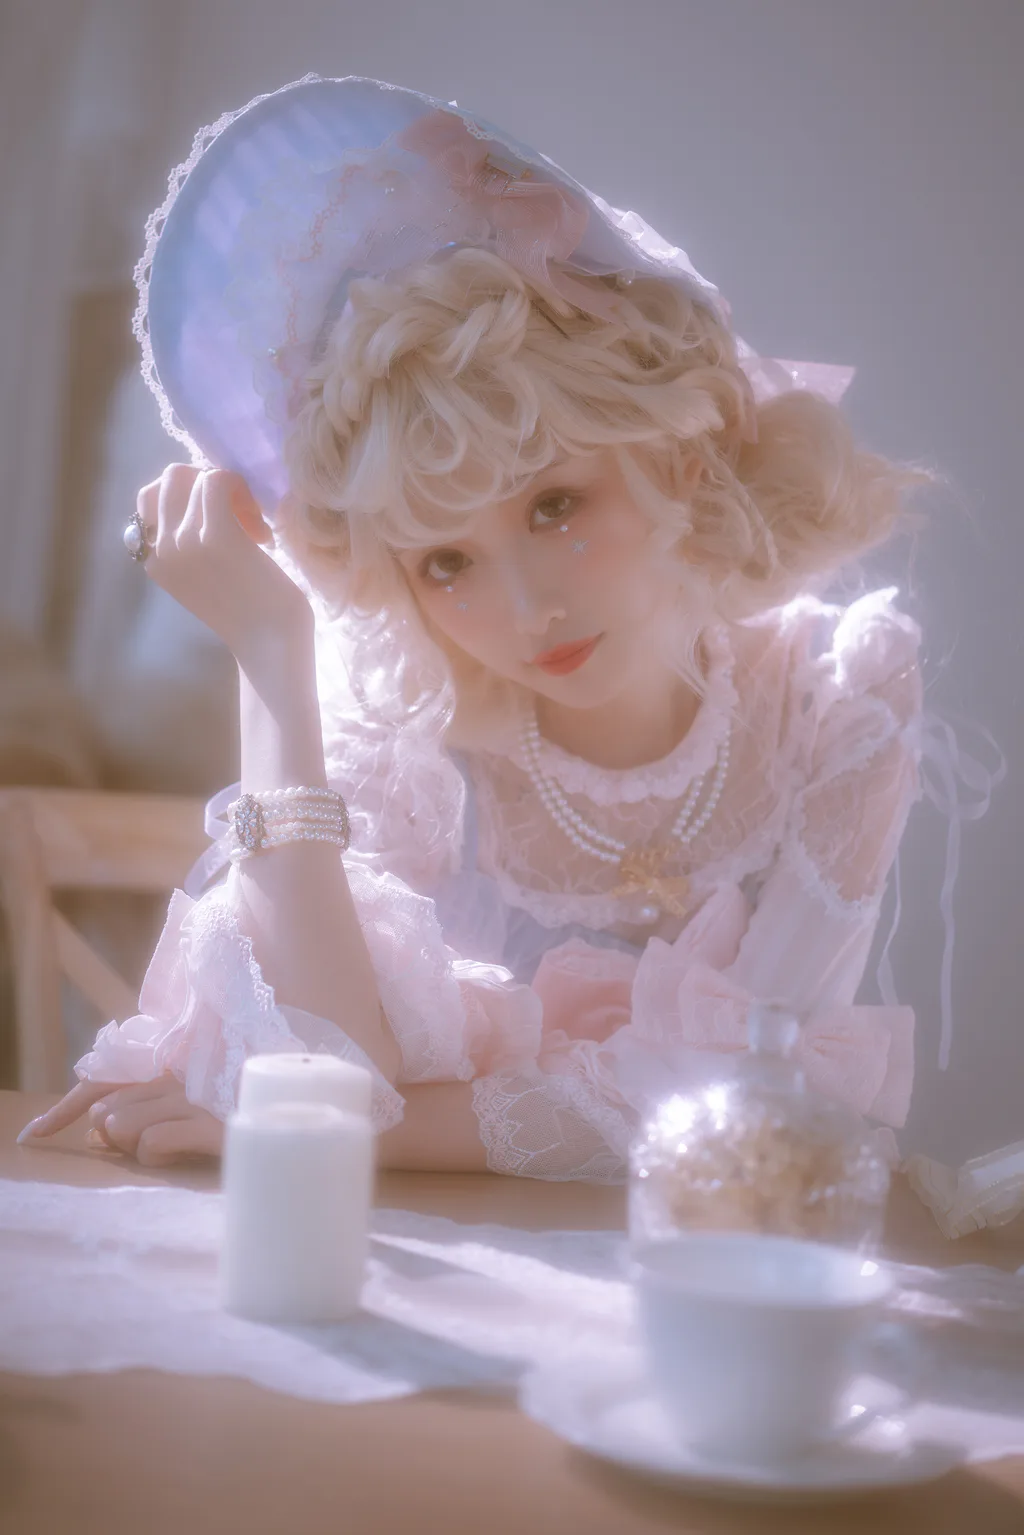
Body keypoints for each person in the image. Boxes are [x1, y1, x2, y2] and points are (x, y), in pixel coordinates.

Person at [19, 76, 929, 1175]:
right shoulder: (406, 721)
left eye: (555, 505)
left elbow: (762, 1100)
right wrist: (269, 651)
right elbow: (325, 1064)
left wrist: (383, 1126)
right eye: (445, 560)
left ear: (680, 453)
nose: (526, 609)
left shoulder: (841, 695)